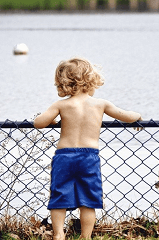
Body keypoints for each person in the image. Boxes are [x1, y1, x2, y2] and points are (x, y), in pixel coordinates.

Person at [34, 57, 143, 240]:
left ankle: (59, 234)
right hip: (88, 157)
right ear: (90, 80)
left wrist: (52, 121)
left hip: (64, 156)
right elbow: (127, 116)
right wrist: (138, 115)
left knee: (59, 198)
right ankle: (86, 237)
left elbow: (39, 123)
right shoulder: (101, 104)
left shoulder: (61, 105)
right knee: (88, 201)